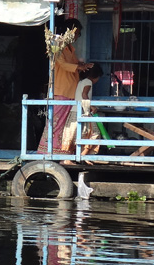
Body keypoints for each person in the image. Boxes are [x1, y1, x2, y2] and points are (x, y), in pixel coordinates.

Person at [36, 18, 93, 155]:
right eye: (77, 33)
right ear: (70, 31)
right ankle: (47, 152)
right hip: (60, 91)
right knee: (55, 124)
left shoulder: (70, 49)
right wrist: (80, 66)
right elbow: (62, 64)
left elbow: (72, 66)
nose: (77, 37)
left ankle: (61, 151)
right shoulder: (57, 45)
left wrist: (82, 67)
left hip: (70, 92)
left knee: (65, 126)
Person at [61, 63, 104, 160]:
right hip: (83, 112)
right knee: (95, 133)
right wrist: (92, 107)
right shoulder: (88, 82)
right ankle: (81, 157)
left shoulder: (81, 81)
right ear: (95, 76)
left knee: (75, 135)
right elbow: (84, 95)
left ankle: (79, 157)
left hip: (76, 111)